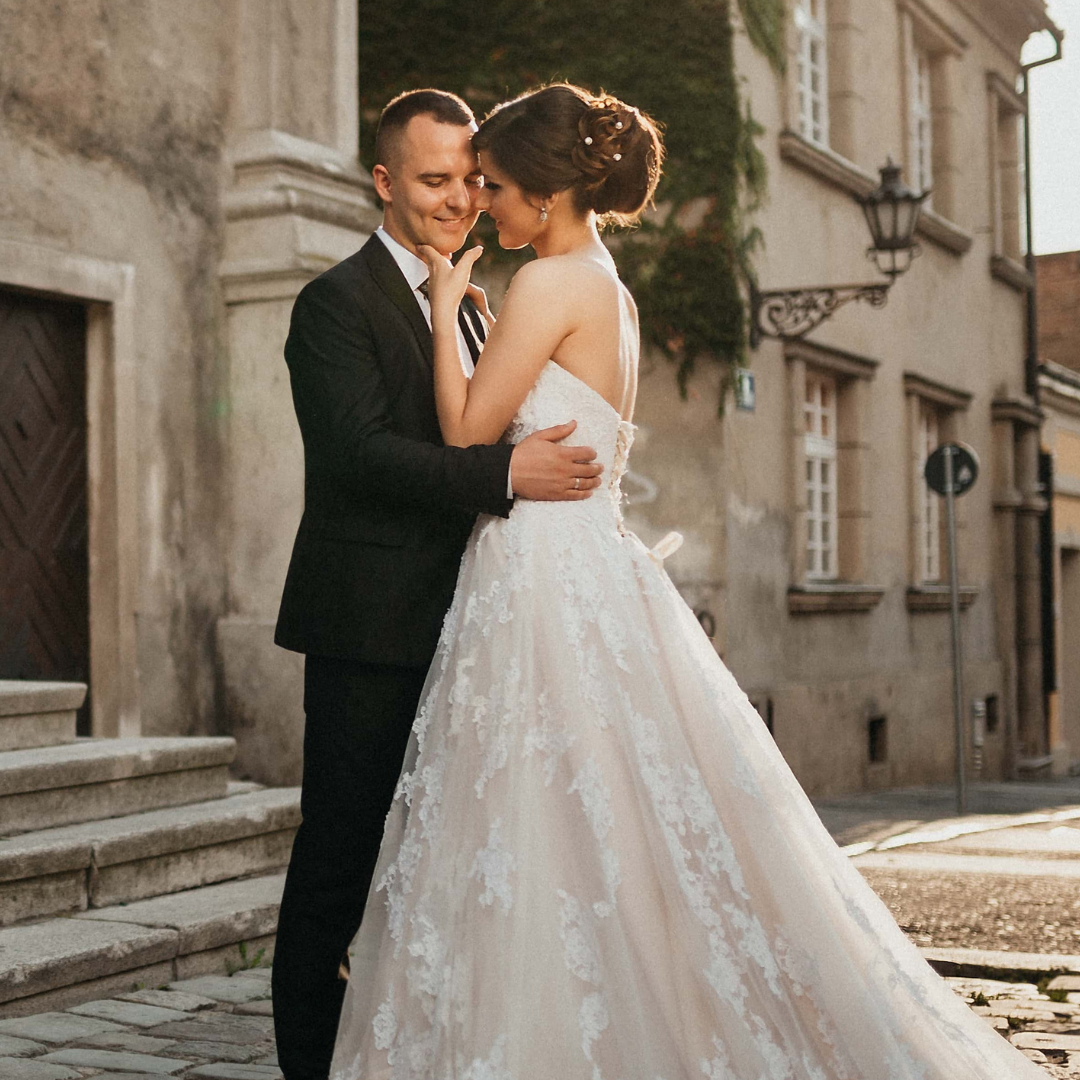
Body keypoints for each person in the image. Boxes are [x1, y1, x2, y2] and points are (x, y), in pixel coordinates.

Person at [329, 83, 1046, 1080]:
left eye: (493, 185)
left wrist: (449, 306)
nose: (481, 203)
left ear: (541, 195)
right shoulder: (608, 286)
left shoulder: (541, 287)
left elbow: (463, 434)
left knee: (542, 810)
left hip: (541, 573)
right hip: (590, 562)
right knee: (610, 809)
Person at [270, 88, 606, 1080]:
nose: (459, 199)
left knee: (443, 869)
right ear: (384, 181)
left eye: (470, 178)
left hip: (475, 634)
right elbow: (356, 455)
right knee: (338, 864)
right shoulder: (333, 302)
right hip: (369, 632)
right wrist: (504, 474)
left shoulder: (478, 301)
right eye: (432, 180)